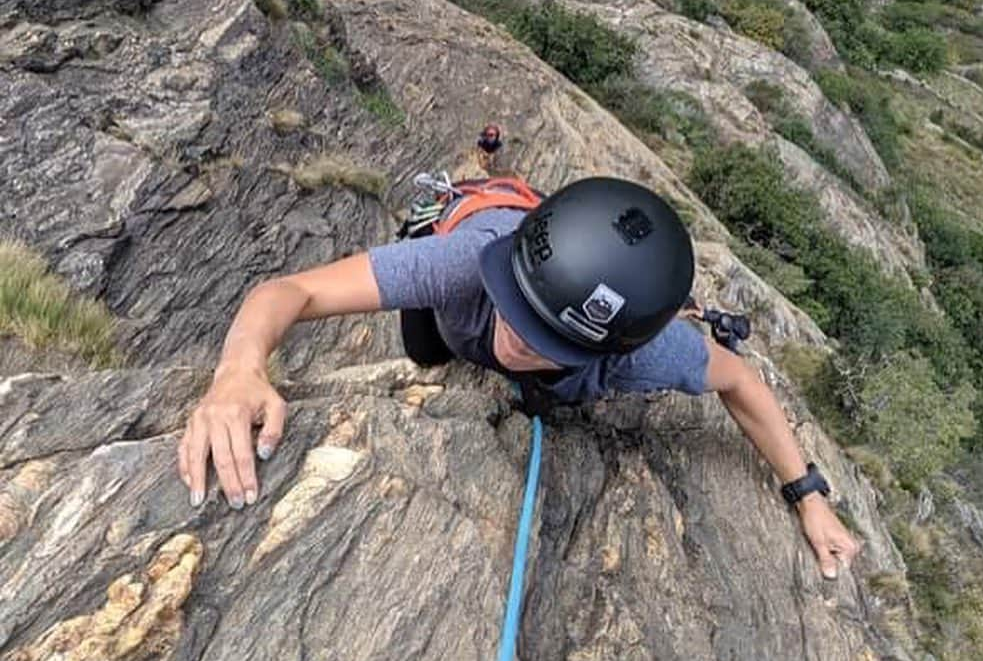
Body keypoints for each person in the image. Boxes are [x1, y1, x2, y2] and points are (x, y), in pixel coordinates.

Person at [178, 176, 859, 579]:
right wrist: (238, 372)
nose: (512, 334)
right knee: (425, 351)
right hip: (472, 243)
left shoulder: (640, 356)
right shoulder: (466, 263)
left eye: (544, 339)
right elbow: (290, 291)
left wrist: (809, 495)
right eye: (515, 306)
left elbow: (742, 383)